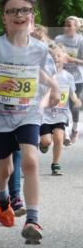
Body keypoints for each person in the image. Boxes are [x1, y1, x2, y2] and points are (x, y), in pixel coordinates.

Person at [0, 0, 58, 245]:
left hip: (28, 113)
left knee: (30, 161)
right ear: (4, 18)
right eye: (13, 11)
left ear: (32, 15)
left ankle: (33, 219)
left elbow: (42, 75)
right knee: (5, 169)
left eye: (25, 10)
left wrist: (53, 87)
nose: (19, 15)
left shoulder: (41, 49)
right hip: (0, 117)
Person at [39, 44, 80, 175]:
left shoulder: (68, 77)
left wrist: (76, 100)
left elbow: (71, 93)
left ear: (66, 59)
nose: (55, 57)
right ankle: (43, 145)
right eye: (52, 56)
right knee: (46, 141)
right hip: (45, 115)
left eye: (58, 55)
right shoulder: (45, 75)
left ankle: (55, 164)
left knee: (58, 138)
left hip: (61, 114)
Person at [54, 16, 83, 145]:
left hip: (77, 77)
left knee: (74, 106)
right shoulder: (59, 39)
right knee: (61, 104)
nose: (66, 27)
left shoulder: (81, 41)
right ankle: (63, 132)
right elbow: (53, 55)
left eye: (70, 25)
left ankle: (75, 130)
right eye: (65, 24)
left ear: (76, 27)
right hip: (61, 76)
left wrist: (71, 60)